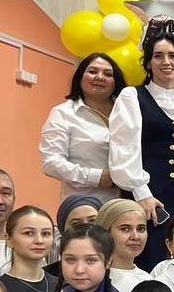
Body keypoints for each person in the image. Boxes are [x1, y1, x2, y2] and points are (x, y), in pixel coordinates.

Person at [108, 32, 174, 269]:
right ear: (148, 63)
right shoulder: (132, 97)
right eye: (158, 56)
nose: (166, 62)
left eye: (172, 56)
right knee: (145, 258)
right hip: (143, 195)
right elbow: (124, 149)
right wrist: (142, 194)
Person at [39, 52, 125, 203]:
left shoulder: (128, 112)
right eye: (92, 71)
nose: (99, 77)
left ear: (116, 81)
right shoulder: (63, 113)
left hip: (131, 203)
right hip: (84, 204)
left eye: (108, 74)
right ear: (79, 77)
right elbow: (51, 162)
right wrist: (97, 177)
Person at [96, 200, 151, 292]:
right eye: (125, 229)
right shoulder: (89, 278)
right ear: (105, 232)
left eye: (141, 229)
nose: (135, 236)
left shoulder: (148, 281)